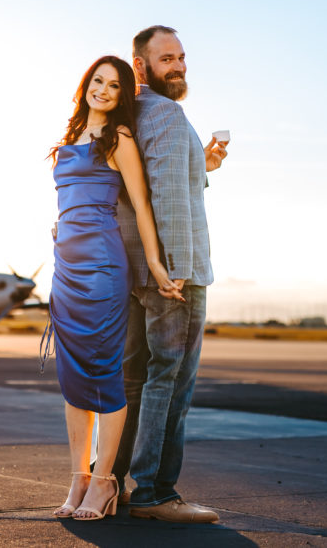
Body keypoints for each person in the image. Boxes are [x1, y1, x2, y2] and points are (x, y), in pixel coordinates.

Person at [45, 55, 182, 521]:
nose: (102, 90)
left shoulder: (118, 138)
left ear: (123, 95)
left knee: (103, 373)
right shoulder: (70, 139)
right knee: (72, 378)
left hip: (103, 267)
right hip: (66, 269)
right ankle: (78, 477)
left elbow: (142, 205)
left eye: (114, 86)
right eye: (97, 81)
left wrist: (158, 265)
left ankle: (104, 482)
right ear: (87, 84)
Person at [113, 26, 229, 523]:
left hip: (137, 270)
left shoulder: (129, 115)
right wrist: (174, 270)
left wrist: (202, 165)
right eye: (166, 59)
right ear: (139, 66)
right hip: (173, 273)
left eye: (181, 57)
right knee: (172, 381)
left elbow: (156, 179)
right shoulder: (166, 112)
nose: (178, 66)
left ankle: (111, 481)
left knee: (135, 380)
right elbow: (165, 197)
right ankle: (155, 494)